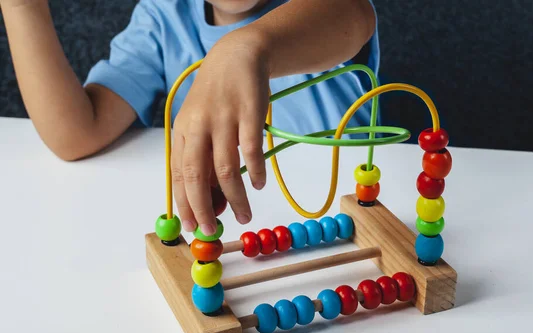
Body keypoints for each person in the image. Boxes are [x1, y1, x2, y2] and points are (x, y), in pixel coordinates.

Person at [1, 0, 379, 235]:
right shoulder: (164, 17)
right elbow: (75, 135)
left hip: (355, 223)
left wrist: (245, 46)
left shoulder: (324, 9)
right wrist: (22, 8)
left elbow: (356, 13)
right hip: (240, 236)